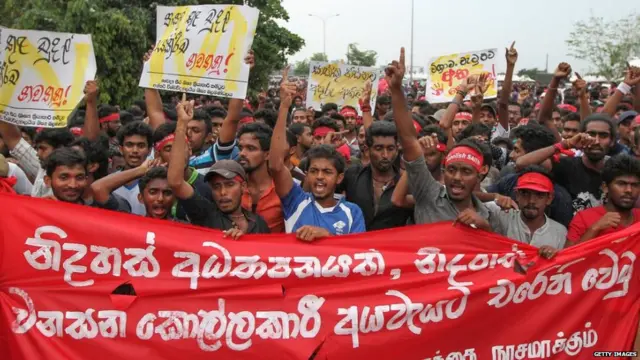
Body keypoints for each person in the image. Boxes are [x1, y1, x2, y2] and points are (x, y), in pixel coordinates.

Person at [388, 47, 500, 231]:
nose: (457, 178)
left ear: (480, 173)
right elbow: (408, 139)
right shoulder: (429, 194)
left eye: (466, 171)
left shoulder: (490, 215)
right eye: (452, 170)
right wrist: (396, 90)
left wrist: (484, 228)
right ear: (443, 169)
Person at [270, 70, 365, 240]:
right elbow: (276, 165)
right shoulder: (296, 201)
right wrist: (284, 107)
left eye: (327, 172)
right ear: (306, 175)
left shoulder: (352, 212)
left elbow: (357, 255)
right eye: (314, 171)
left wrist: (327, 237)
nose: (319, 177)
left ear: (340, 177)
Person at [167, 98, 269, 237]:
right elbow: (175, 182)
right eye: (216, 186)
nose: (222, 192)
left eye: (229, 184)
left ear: (243, 187)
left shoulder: (259, 223)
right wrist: (181, 125)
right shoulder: (206, 214)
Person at [516, 113, 615, 215]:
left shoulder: (617, 169)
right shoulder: (566, 165)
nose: (597, 141)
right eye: (591, 135)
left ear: (612, 141)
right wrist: (565, 144)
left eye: (603, 136)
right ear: (580, 136)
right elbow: (521, 163)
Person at [340, 121, 412, 230]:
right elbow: (318, 195)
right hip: (356, 244)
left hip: (392, 245)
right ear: (367, 150)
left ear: (397, 150)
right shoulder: (352, 175)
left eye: (390, 149)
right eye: (379, 148)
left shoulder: (407, 183)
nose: (385, 155)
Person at [567, 154, 640, 245]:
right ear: (605, 187)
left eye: (635, 185)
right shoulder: (583, 218)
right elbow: (568, 257)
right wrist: (594, 229)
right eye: (621, 184)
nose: (629, 190)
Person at [494, 167, 567, 253]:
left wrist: (555, 257)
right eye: (525, 193)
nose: (531, 201)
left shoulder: (560, 232)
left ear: (549, 199)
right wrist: (494, 196)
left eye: (539, 195)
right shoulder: (502, 217)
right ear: (517, 195)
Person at [152, 121, 213, 220]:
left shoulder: (207, 186)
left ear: (189, 149)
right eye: (169, 149)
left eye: (181, 147)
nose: (177, 155)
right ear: (157, 155)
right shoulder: (149, 185)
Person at [0, 124, 74, 197]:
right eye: (38, 149)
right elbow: (13, 139)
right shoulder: (42, 168)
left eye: (43, 149)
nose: (37, 154)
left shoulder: (77, 181)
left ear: (60, 149)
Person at [113, 121, 153, 215]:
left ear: (149, 150)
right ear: (121, 149)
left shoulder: (156, 183)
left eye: (141, 146)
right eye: (129, 145)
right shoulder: (110, 182)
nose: (135, 150)